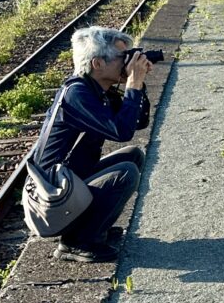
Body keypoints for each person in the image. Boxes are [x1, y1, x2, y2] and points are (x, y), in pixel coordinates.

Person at [30, 26, 153, 262]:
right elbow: (122, 131)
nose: (128, 62)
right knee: (125, 173)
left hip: (71, 180)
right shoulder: (77, 93)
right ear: (98, 63)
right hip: (53, 194)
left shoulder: (96, 89)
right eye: (122, 57)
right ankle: (76, 242)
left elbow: (138, 123)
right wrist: (133, 83)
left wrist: (138, 84)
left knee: (133, 156)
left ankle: (94, 226)